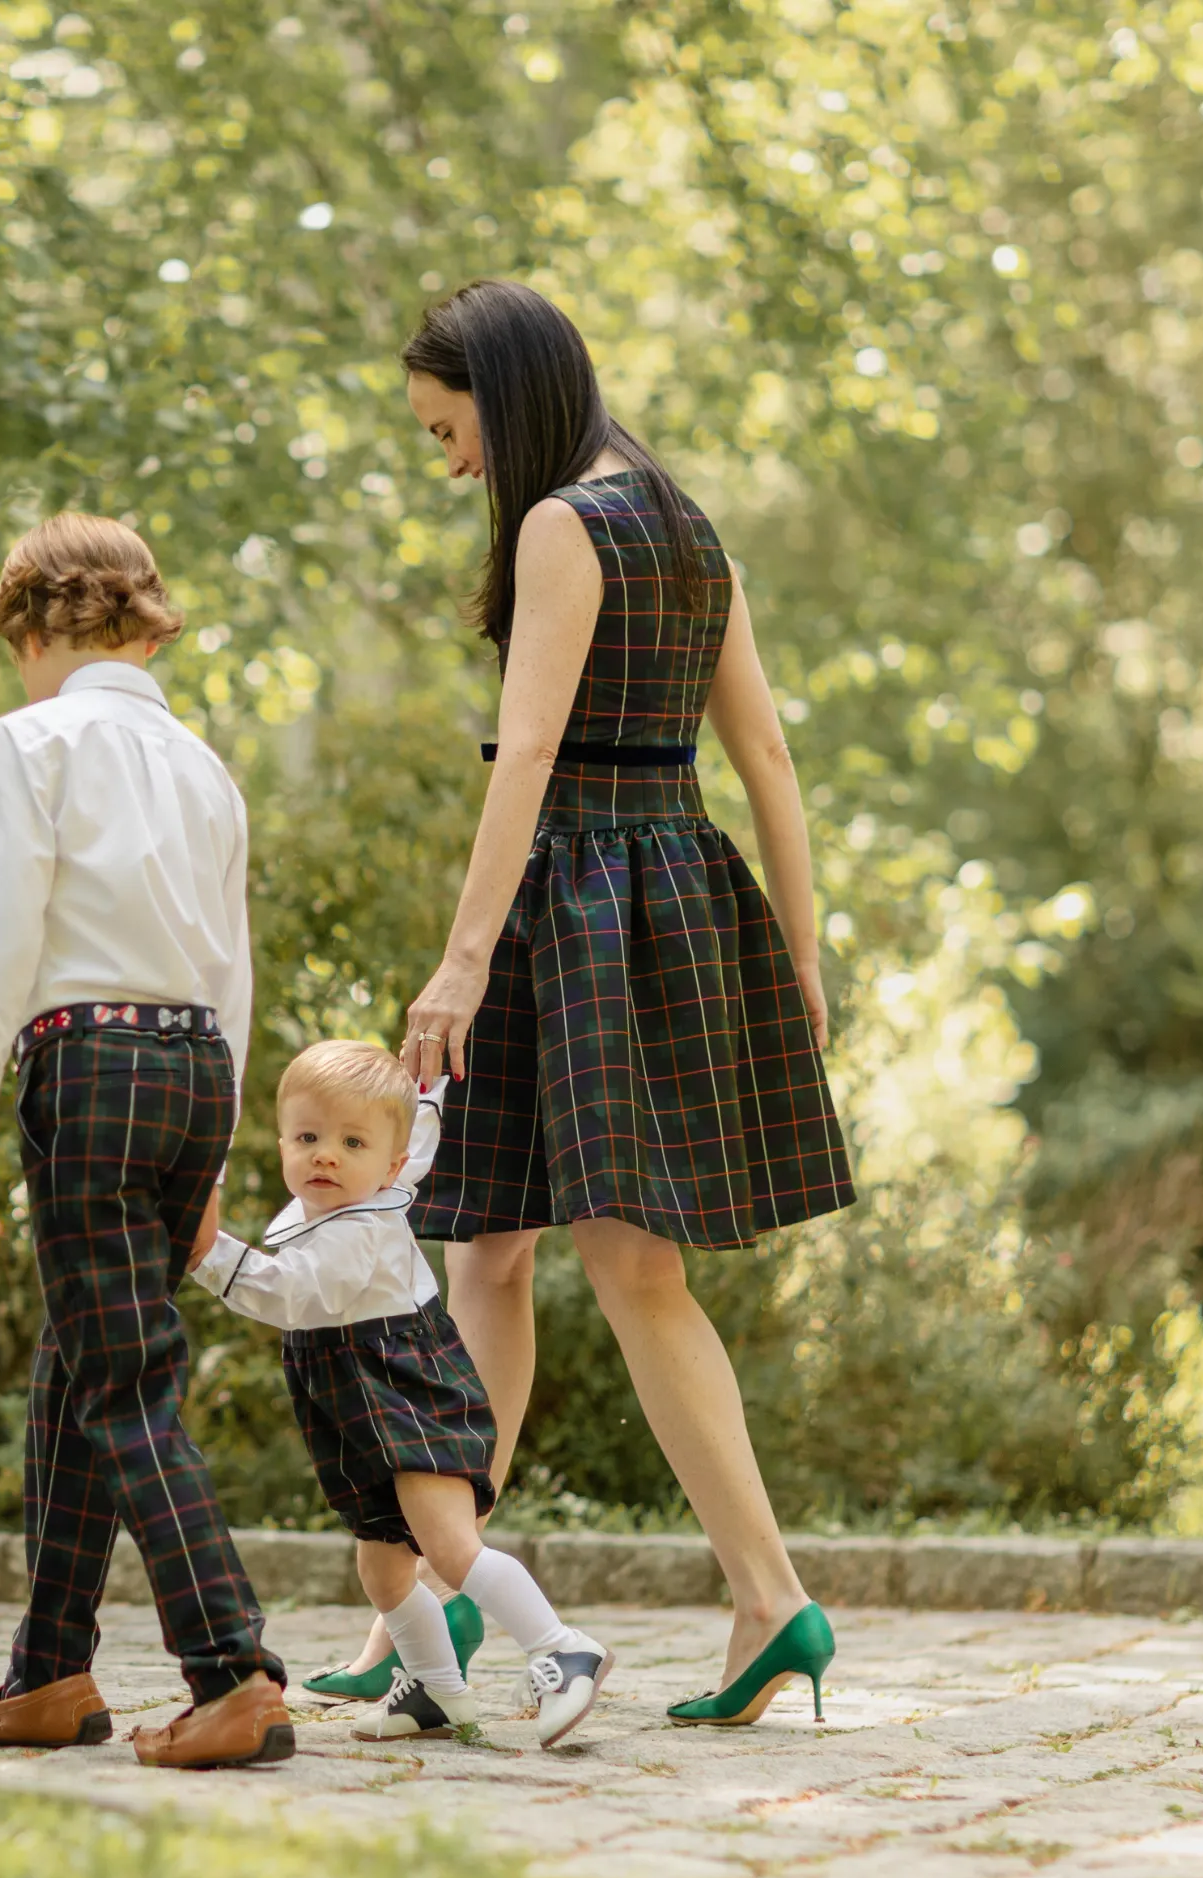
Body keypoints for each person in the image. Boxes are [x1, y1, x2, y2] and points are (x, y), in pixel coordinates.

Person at [367, 279, 852, 1728]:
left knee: (522, 1256)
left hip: (568, 906)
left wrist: (459, 963)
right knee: (513, 1255)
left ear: (503, 398)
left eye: (446, 426)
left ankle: (732, 1597)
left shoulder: (560, 524)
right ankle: (472, 1605)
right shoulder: (689, 522)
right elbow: (765, 752)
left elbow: (526, 761)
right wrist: (805, 952)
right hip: (682, 896)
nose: (444, 456)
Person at [0, 511, 294, 1769]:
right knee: (81, 1353)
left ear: (38, 626)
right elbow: (231, 967)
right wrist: (220, 1140)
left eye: (17, 646)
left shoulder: (28, 739)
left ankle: (229, 1667)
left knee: (123, 1371)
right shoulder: (202, 764)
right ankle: (50, 1669)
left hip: (86, 1062)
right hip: (196, 1065)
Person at [191, 1041, 612, 1745]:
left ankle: (562, 1648)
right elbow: (419, 1130)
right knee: (383, 1568)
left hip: (406, 1392)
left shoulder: (359, 1230)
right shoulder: (339, 1200)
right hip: (355, 1405)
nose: (326, 1155)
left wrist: (207, 1252)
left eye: (350, 1142)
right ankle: (437, 1693)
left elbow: (288, 1292)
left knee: (448, 1546)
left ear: (386, 1166)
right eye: (308, 1137)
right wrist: (430, 1081)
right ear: (282, 1144)